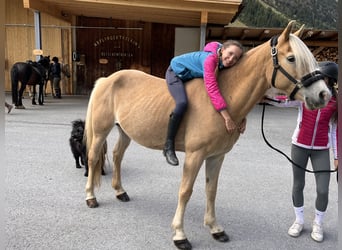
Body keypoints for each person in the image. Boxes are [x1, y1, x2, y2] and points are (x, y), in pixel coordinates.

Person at [266, 61, 338, 242]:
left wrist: (338, 156)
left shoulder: (336, 102)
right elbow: (284, 102)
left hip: (321, 149)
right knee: (298, 185)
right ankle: (299, 220)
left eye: (322, 77)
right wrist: (265, 97)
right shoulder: (305, 95)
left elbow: (337, 131)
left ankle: (318, 223)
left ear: (330, 80)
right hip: (299, 146)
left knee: (323, 190)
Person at [163, 40, 245, 166]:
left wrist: (243, 117)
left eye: (236, 58)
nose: (231, 59)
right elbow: (212, 88)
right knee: (182, 103)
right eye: (230, 53)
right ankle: (168, 146)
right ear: (222, 50)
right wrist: (227, 117)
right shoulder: (210, 60)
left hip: (194, 73)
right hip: (177, 72)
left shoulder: (223, 61)